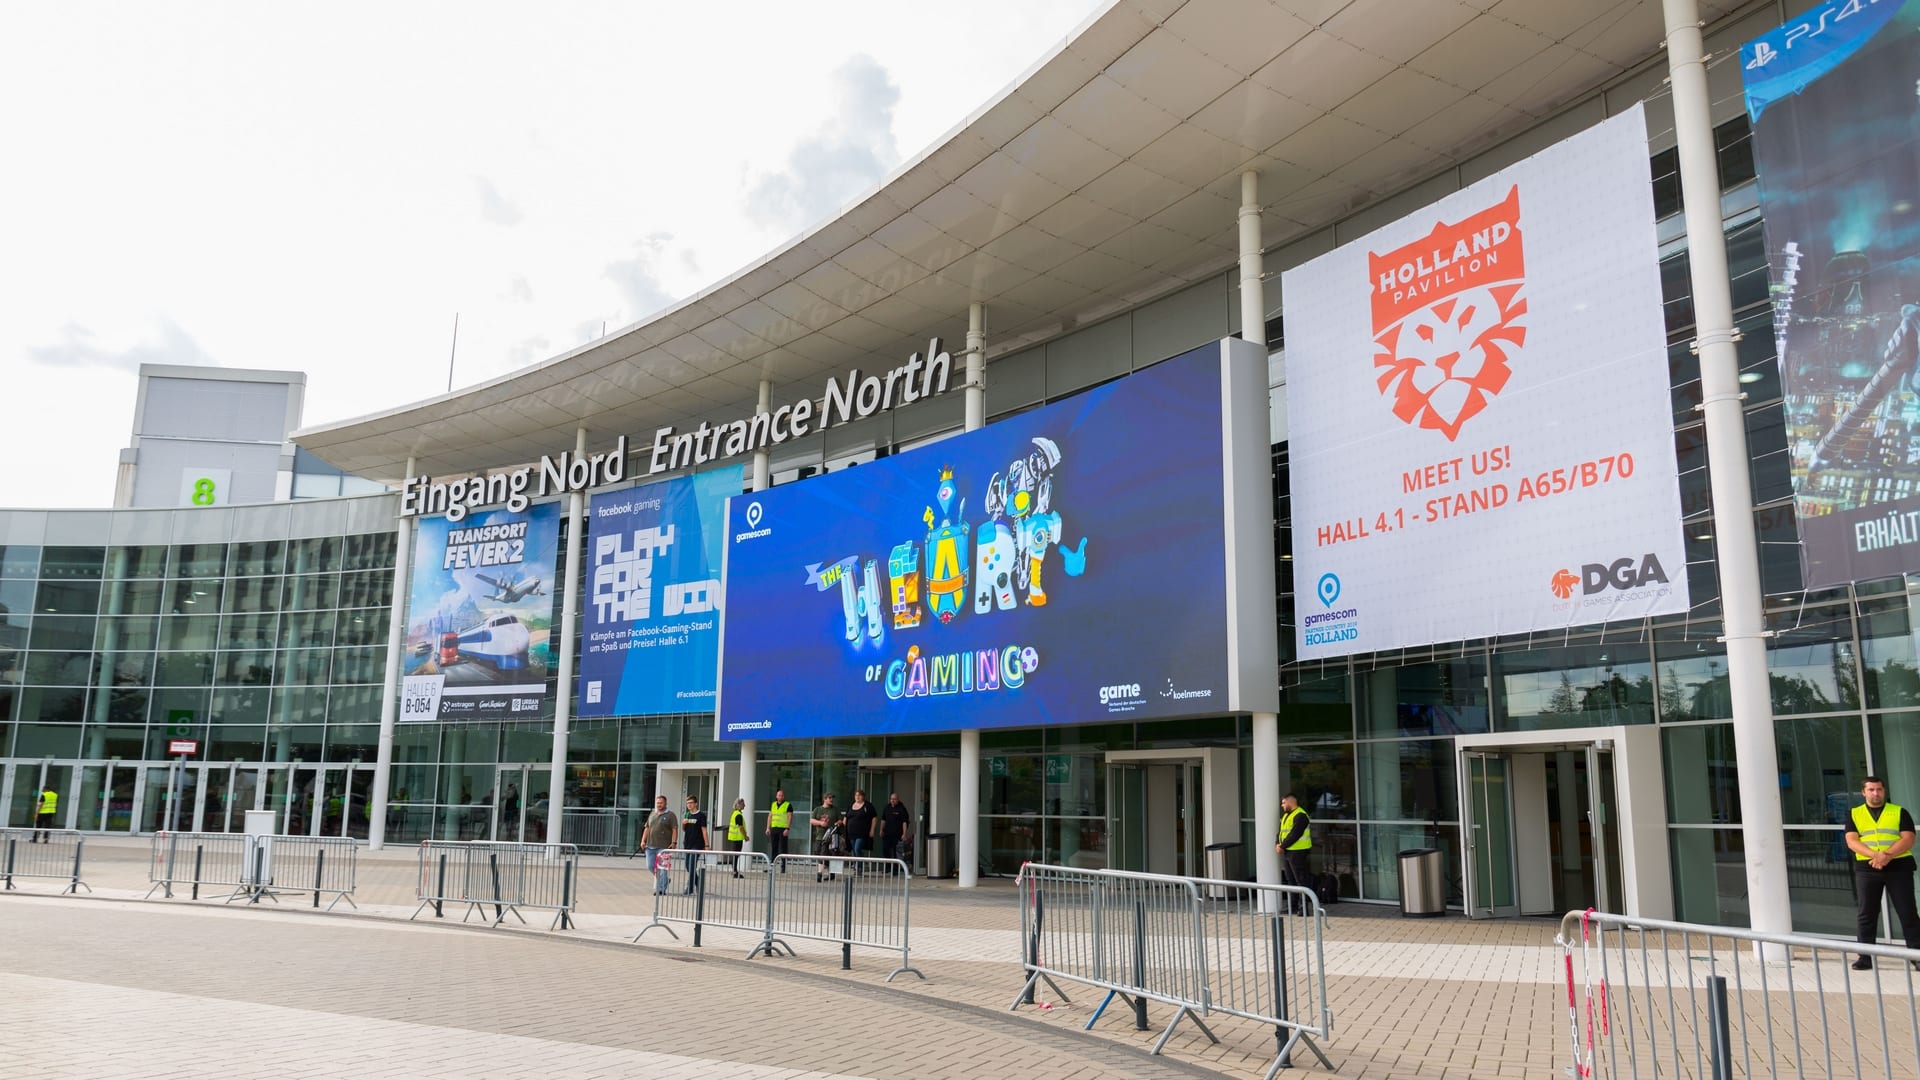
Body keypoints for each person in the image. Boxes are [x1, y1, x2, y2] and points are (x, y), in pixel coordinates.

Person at [1845, 775, 1920, 970]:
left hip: (1898, 867)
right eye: (1871, 790)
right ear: (1863, 792)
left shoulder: (1899, 811)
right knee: (1866, 914)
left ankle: (1917, 955)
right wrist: (1875, 856)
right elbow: (1851, 840)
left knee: (1908, 912)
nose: (1875, 793)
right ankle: (1865, 958)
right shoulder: (1854, 813)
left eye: (1879, 789)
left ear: (1884, 791)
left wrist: (1887, 855)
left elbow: (1909, 838)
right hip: (1868, 868)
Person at [1274, 792, 1313, 910]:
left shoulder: (1301, 815)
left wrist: (1282, 846)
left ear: (1291, 802)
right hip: (1288, 851)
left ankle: (1303, 907)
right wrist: (1277, 844)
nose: (1282, 805)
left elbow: (1295, 834)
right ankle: (1293, 906)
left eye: (1283, 803)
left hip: (1298, 852)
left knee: (1300, 880)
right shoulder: (1286, 815)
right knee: (1290, 879)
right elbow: (1280, 832)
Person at [641, 795, 678, 896]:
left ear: (665, 803)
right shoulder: (652, 814)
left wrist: (674, 842)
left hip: (664, 847)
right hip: (650, 846)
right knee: (650, 866)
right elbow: (647, 828)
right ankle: (665, 880)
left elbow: (674, 830)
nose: (659, 805)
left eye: (661, 803)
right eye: (658, 803)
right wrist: (643, 841)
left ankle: (661, 889)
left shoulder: (671, 815)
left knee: (662, 868)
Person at [680, 796, 709, 894]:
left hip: (697, 844)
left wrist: (707, 845)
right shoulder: (687, 814)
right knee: (688, 866)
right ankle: (699, 884)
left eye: (691, 803)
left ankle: (690, 888)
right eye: (687, 803)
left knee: (692, 864)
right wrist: (683, 823)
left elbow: (704, 830)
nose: (689, 805)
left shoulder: (701, 815)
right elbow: (684, 829)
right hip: (688, 843)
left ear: (696, 804)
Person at [810, 793, 841, 881]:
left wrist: (837, 823)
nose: (831, 800)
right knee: (818, 853)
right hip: (820, 836)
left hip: (831, 837)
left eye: (832, 798)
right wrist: (820, 823)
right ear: (825, 799)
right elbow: (811, 820)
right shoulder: (817, 809)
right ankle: (831, 872)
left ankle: (819, 873)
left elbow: (840, 820)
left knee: (823, 854)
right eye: (829, 798)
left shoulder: (835, 810)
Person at [880, 792, 912, 871]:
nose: (892, 800)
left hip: (897, 834)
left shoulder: (901, 808)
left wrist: (904, 833)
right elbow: (883, 820)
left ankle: (895, 869)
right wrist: (881, 830)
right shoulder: (887, 807)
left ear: (898, 799)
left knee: (895, 852)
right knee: (885, 849)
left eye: (894, 799)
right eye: (891, 799)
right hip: (887, 833)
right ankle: (887, 867)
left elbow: (904, 822)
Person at [844, 790, 877, 866]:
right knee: (854, 850)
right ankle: (857, 865)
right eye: (856, 795)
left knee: (857, 848)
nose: (857, 797)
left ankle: (860, 867)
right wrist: (844, 824)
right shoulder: (851, 804)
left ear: (863, 796)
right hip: (851, 832)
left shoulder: (867, 805)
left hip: (862, 832)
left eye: (859, 795)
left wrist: (872, 830)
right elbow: (846, 816)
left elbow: (874, 818)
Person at [767, 789, 792, 868]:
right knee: (774, 847)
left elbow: (790, 817)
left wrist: (787, 828)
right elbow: (770, 816)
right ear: (776, 796)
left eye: (781, 795)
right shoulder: (773, 804)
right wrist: (768, 828)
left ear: (784, 796)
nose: (780, 797)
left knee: (783, 848)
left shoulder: (788, 805)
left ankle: (783, 866)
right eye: (779, 795)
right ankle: (772, 866)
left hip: (783, 829)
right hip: (774, 828)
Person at [723, 797, 748, 878]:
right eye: (743, 804)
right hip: (737, 838)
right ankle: (734, 871)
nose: (745, 805)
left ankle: (734, 870)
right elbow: (741, 827)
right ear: (739, 805)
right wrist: (745, 836)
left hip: (734, 837)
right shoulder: (738, 815)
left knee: (735, 855)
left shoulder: (735, 813)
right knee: (736, 855)